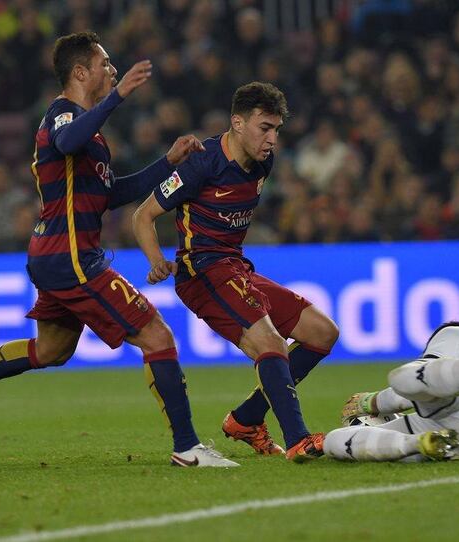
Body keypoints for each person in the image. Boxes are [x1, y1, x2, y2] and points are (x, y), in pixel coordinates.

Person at [0, 31, 238, 467]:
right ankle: (187, 447)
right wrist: (119, 95)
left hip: (57, 255)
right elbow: (67, 142)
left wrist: (168, 163)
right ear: (80, 72)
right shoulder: (61, 115)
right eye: (105, 64)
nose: (112, 70)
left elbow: (112, 193)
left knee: (51, 351)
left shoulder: (93, 134)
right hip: (72, 258)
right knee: (157, 335)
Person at [132, 82, 340, 463]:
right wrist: (155, 260)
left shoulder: (263, 163)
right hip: (201, 273)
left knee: (323, 333)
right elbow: (142, 215)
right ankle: (298, 440)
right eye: (265, 127)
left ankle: (246, 419)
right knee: (271, 344)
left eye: (277, 129)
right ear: (238, 123)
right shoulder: (202, 163)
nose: (273, 139)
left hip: (235, 267)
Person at [323, 322, 459, 461]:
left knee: (401, 379)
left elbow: (406, 393)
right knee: (332, 440)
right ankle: (422, 443)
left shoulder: (452, 332)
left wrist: (371, 402)